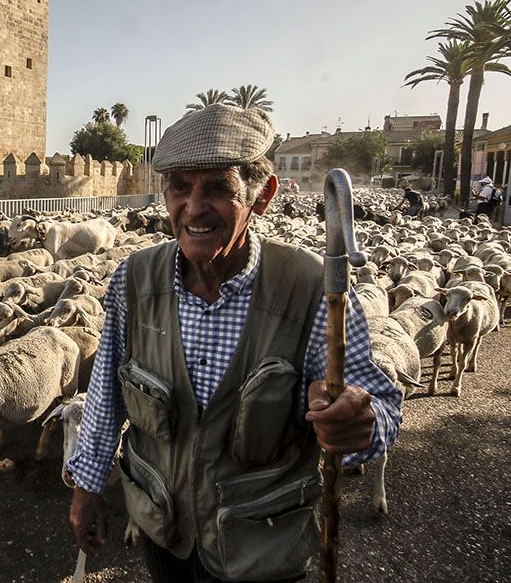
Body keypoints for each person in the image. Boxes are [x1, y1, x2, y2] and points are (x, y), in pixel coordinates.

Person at [66, 104, 403, 583]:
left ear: (262, 195)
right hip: (167, 537)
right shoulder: (134, 282)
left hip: (263, 546)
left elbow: (381, 405)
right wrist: (88, 487)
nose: (194, 207)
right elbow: (106, 396)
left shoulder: (310, 291)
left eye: (217, 188)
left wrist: (359, 423)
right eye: (179, 186)